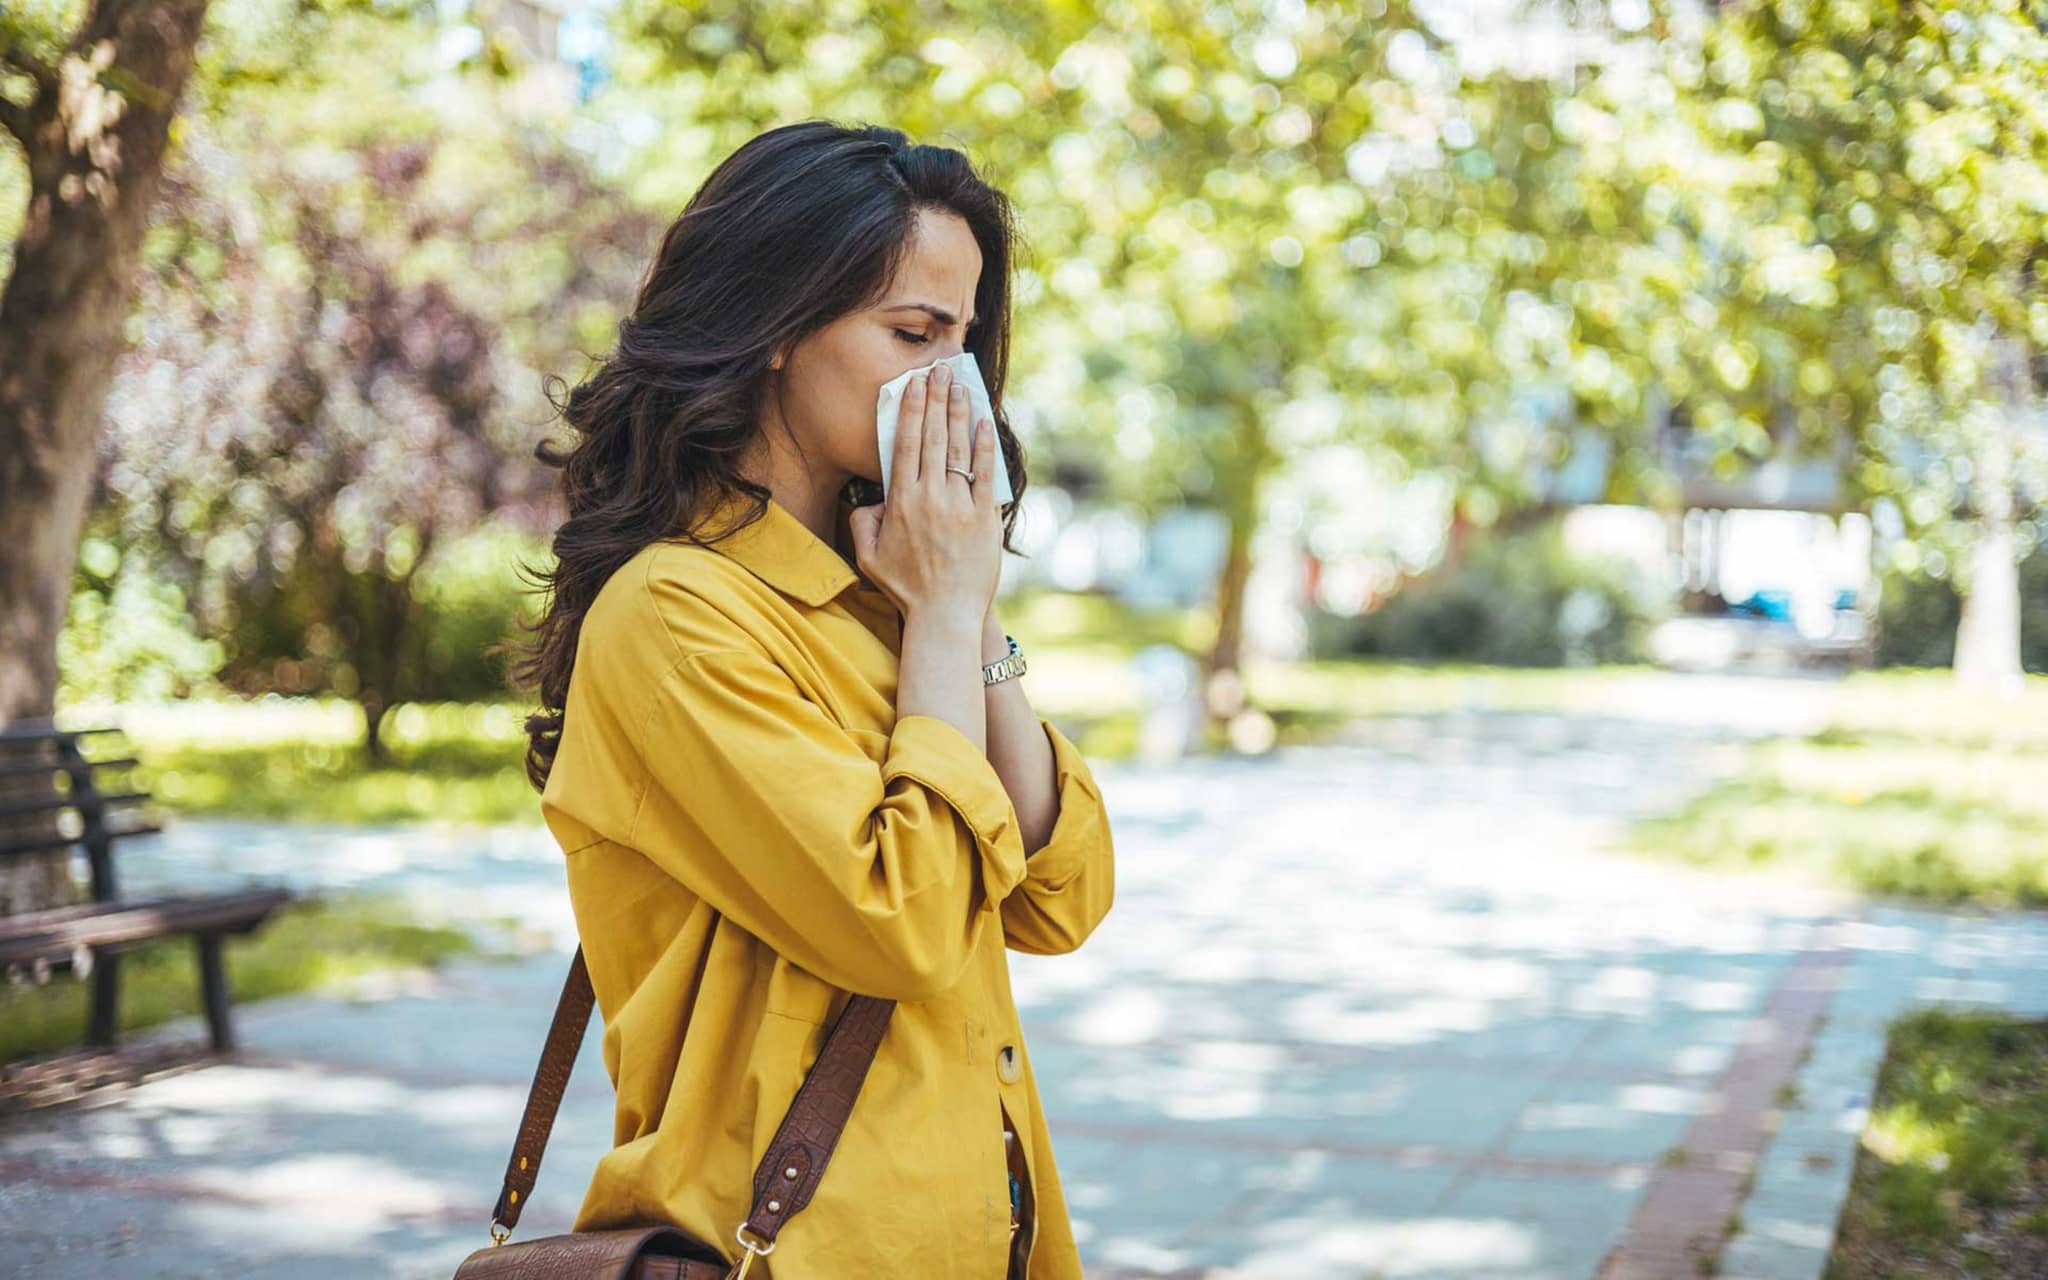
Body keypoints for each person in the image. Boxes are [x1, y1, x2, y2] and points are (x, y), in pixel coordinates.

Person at [511, 120, 1117, 1280]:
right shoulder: (674, 613)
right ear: (779, 327)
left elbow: (1062, 895)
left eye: (965, 342)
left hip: (985, 1237)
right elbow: (902, 920)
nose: (954, 384)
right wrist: (940, 614)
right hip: (791, 1250)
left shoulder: (886, 591)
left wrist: (965, 602)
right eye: (912, 333)